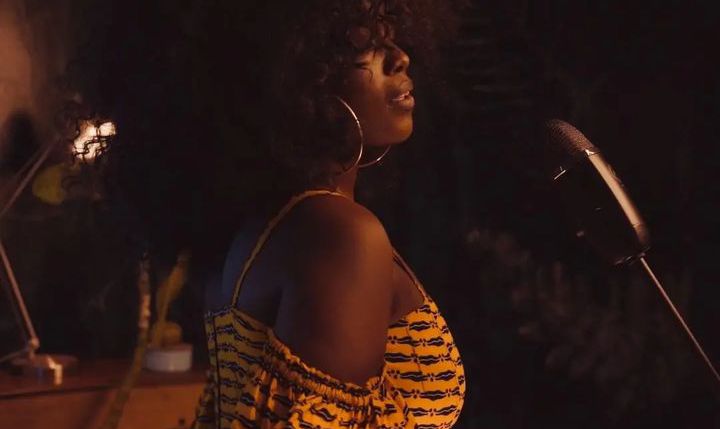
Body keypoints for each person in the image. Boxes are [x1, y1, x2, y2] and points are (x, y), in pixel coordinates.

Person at [66, 0, 467, 427]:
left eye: (387, 26)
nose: (399, 56)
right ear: (289, 70)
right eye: (360, 41)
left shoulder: (260, 231)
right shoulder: (340, 237)